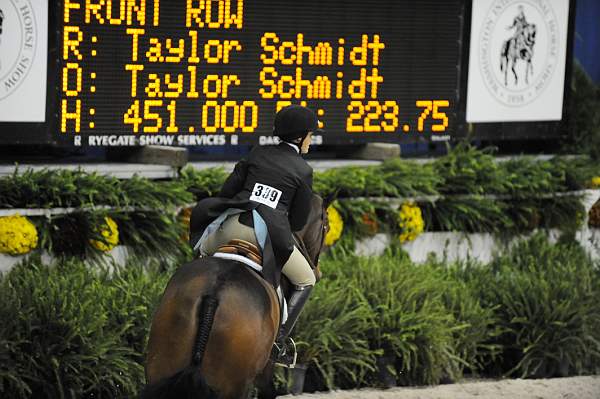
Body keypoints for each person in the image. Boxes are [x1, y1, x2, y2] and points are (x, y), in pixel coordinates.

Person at [189, 104, 322, 362]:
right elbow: (297, 222)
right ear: (300, 137)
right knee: (307, 279)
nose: (311, 139)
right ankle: (279, 344)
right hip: (267, 237)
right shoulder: (303, 170)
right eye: (310, 134)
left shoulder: (257, 153)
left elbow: (228, 191)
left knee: (203, 254)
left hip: (231, 225)